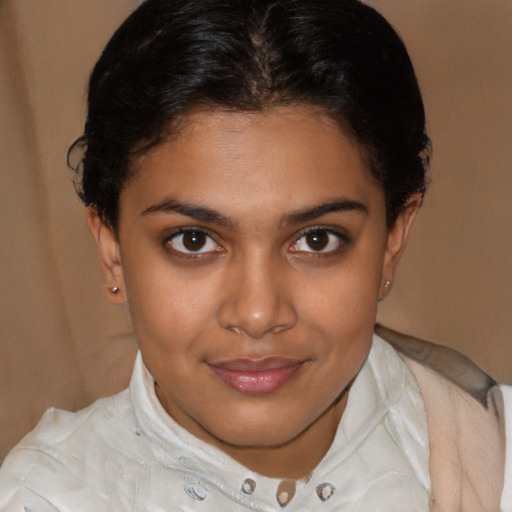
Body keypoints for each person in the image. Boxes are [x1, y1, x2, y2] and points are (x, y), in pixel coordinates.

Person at [0, 0, 510, 510]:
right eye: (193, 241)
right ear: (112, 249)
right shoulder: (49, 496)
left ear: (392, 241)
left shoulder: (492, 455)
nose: (258, 313)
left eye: (316, 239)